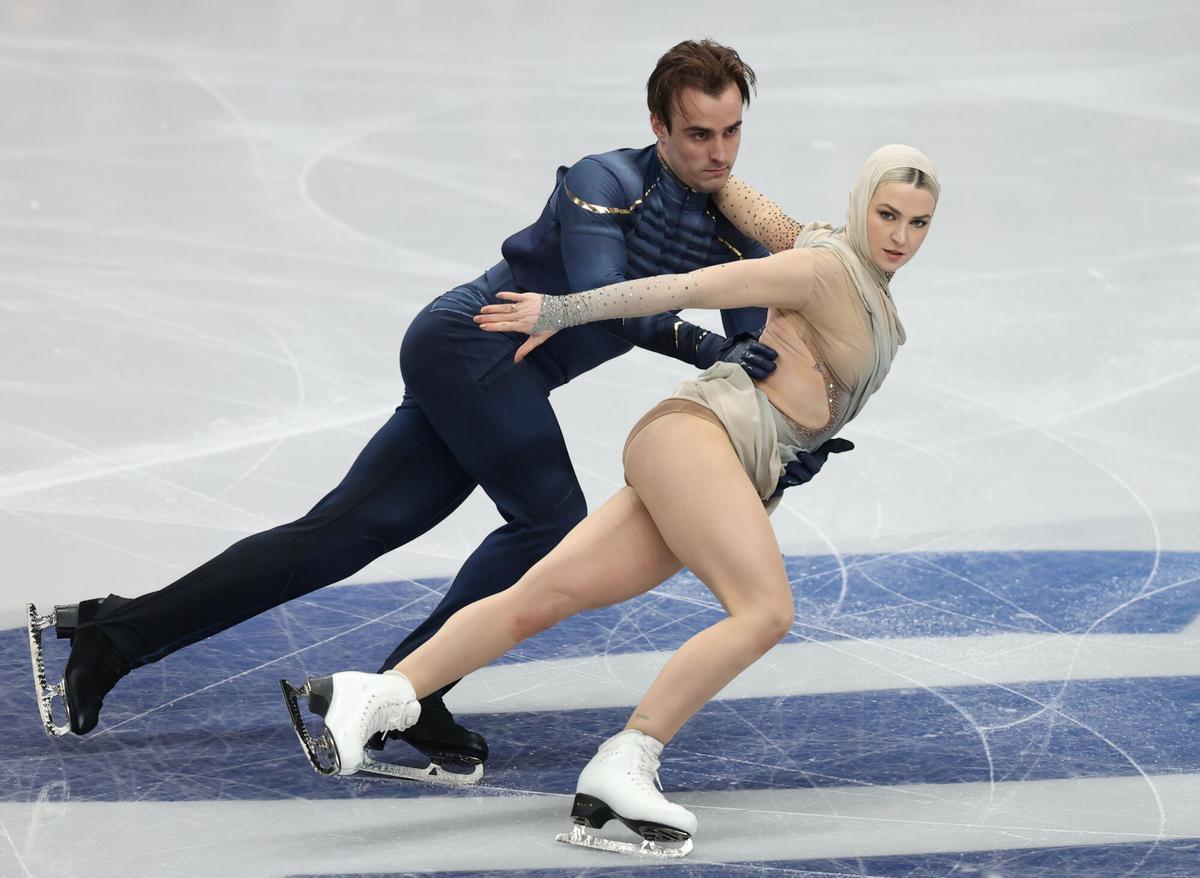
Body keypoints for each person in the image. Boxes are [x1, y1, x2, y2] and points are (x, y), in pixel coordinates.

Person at [26, 39, 848, 783]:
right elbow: (605, 300)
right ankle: (403, 695)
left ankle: (117, 633)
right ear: (658, 124)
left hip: (502, 380)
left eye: (731, 133)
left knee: (338, 537)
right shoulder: (607, 180)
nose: (717, 153)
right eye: (698, 133)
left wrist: (793, 439)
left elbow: (761, 368)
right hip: (465, 344)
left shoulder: (740, 237)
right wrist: (708, 351)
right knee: (550, 518)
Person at [281, 144, 939, 856]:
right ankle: (627, 763)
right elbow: (682, 286)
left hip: (716, 458)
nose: (900, 235)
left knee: (542, 596)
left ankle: (374, 696)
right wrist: (563, 309)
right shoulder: (822, 266)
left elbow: (746, 204)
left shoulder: (836, 259)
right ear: (861, 204)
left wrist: (795, 447)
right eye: (887, 213)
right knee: (766, 611)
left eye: (919, 222)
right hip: (700, 439)